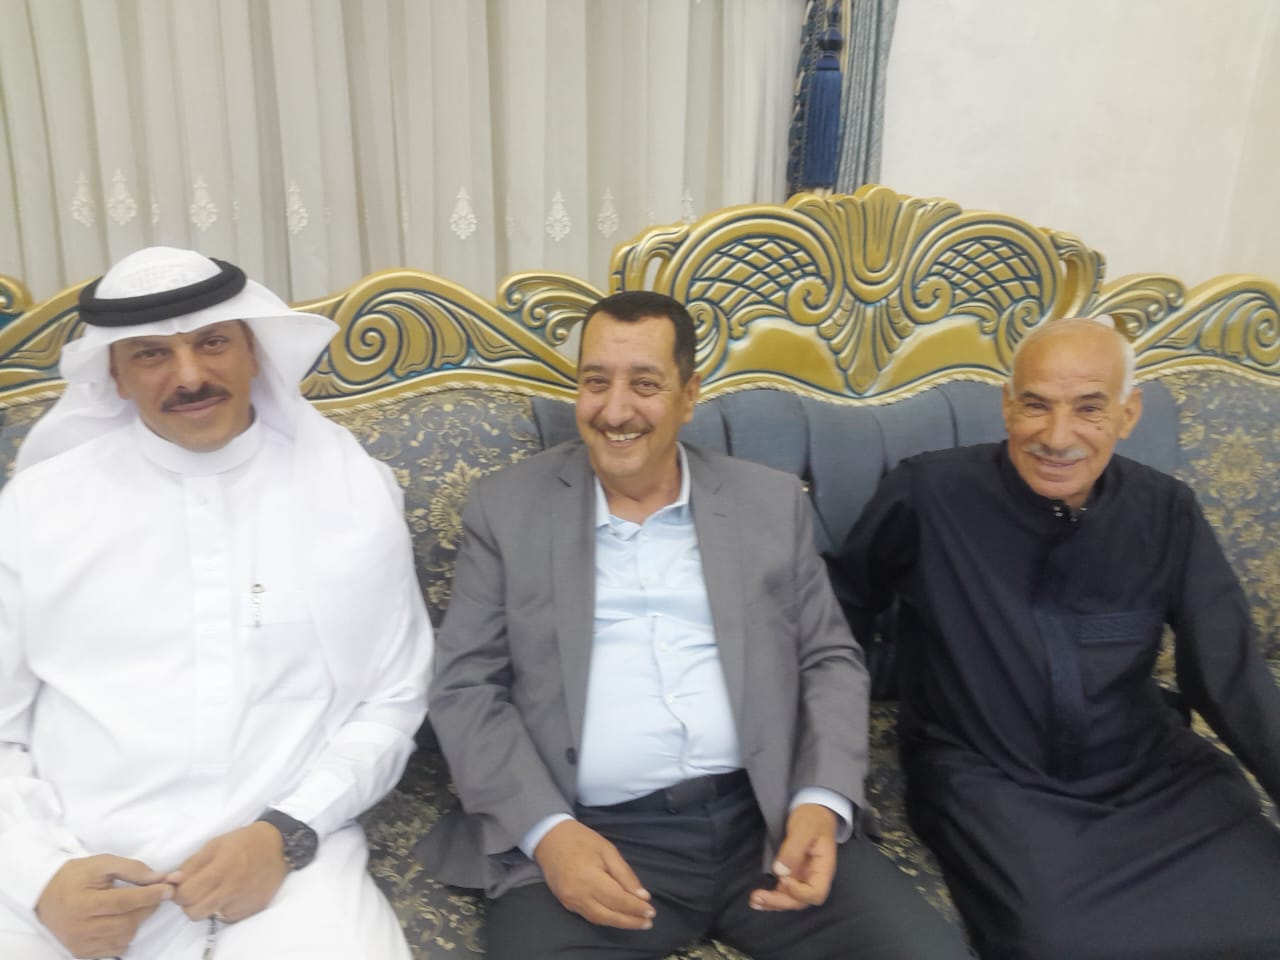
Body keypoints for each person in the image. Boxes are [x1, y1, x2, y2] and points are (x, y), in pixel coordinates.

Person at [417, 290, 969, 960]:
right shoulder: (507, 509)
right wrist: (550, 834)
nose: (615, 410)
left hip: (763, 819)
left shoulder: (767, 502)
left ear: (688, 395)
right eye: (596, 381)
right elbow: (466, 688)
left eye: (644, 384)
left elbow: (828, 659)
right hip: (594, 835)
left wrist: (820, 801)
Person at [0, 247, 433, 960]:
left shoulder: (349, 494)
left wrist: (285, 833)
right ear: (114, 374)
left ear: (254, 350)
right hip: (70, 867)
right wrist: (40, 876)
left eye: (212, 343)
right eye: (151, 354)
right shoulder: (37, 509)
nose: (190, 376)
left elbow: (391, 700)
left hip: (284, 866)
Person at [828, 316, 1280, 959]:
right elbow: (842, 606)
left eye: (1089, 408)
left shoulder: (1165, 509)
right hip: (993, 775)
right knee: (1059, 943)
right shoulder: (930, 492)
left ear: (1128, 414)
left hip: (1149, 774)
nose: (1057, 437)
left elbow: (1229, 670)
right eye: (1036, 405)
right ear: (1007, 406)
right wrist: (836, 732)